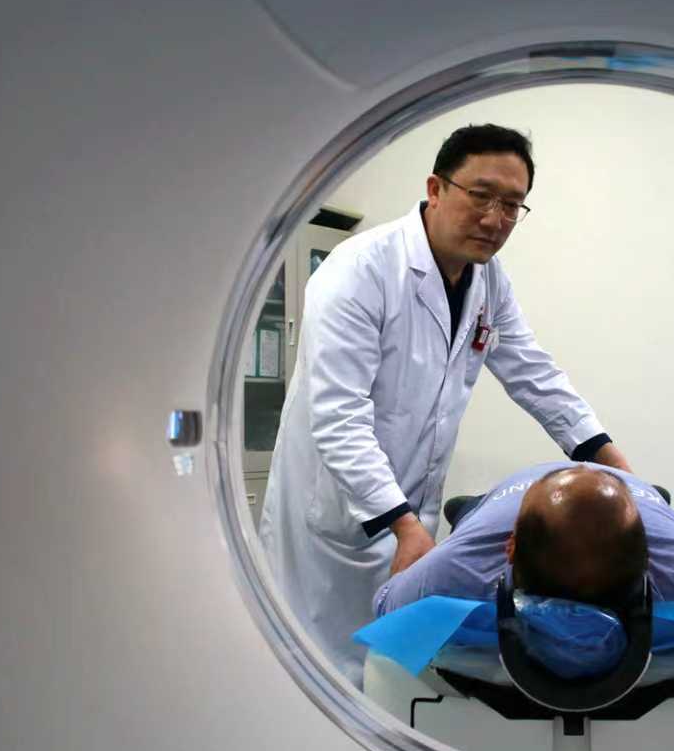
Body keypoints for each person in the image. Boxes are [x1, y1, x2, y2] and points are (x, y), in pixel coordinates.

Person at [260, 124, 630, 680]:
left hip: (411, 513)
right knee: (310, 674)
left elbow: (534, 374)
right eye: (481, 196)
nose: (495, 219)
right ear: (436, 189)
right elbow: (338, 418)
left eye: (512, 205)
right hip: (335, 521)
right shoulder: (359, 269)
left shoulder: (488, 281)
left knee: (388, 680)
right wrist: (404, 526)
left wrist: (616, 466)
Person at [373, 463, 674, 636]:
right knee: (469, 512)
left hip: (619, 499)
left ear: (509, 548)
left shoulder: (456, 574)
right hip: (512, 502)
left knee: (467, 513)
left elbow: (386, 605)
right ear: (649, 559)